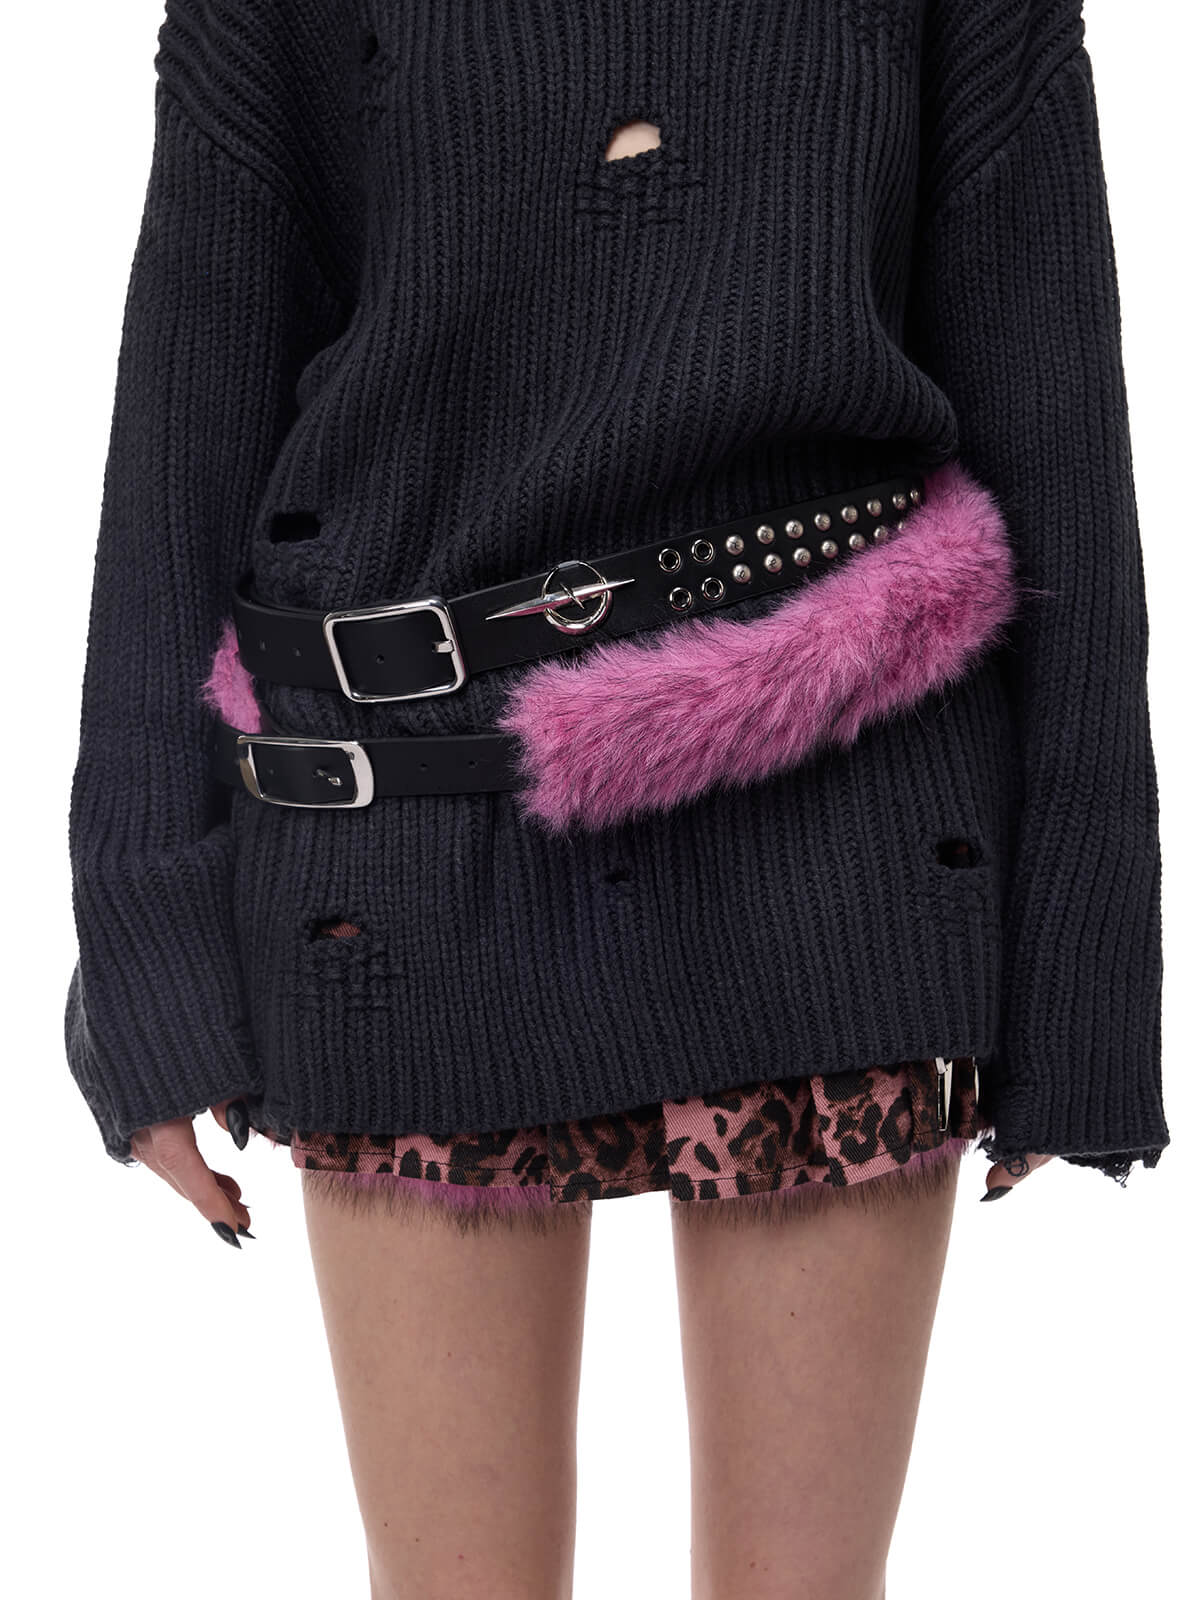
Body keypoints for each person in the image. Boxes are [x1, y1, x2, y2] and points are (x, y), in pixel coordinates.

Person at [63, 3, 1167, 1595]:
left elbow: (1061, 440)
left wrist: (1086, 978)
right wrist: (146, 949)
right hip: (412, 846)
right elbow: (183, 436)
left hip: (837, 827)